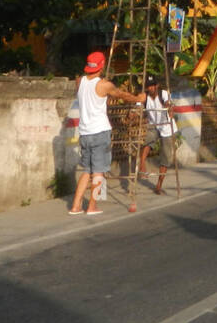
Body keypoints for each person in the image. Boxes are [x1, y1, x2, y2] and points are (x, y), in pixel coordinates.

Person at [71, 51, 146, 215]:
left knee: (86, 170)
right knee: (98, 170)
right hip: (99, 132)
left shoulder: (79, 82)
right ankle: (92, 206)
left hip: (84, 133)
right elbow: (122, 95)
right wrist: (139, 98)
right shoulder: (104, 85)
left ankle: (76, 206)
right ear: (102, 65)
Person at [137, 75, 175, 195]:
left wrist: (168, 107)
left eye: (152, 86)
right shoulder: (145, 96)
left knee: (165, 157)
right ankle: (142, 166)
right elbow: (138, 107)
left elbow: (168, 103)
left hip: (166, 127)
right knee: (147, 141)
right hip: (154, 125)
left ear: (156, 86)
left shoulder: (163, 93)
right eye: (149, 86)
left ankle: (158, 185)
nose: (151, 88)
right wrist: (134, 113)